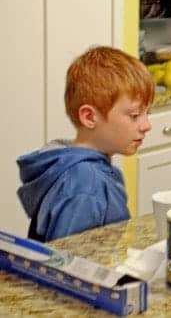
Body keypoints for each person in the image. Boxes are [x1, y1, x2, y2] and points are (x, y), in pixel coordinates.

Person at [17, 46, 154, 242]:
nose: (147, 126)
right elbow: (67, 262)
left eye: (147, 113)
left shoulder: (76, 166)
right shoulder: (85, 184)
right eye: (134, 115)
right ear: (89, 117)